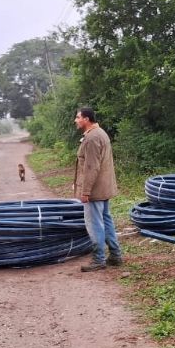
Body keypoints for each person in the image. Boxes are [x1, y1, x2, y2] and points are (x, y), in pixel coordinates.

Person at [73, 107, 123, 272]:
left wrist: (85, 191)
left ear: (86, 119)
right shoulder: (100, 133)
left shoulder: (92, 137)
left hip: (95, 191)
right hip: (103, 188)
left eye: (78, 117)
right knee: (106, 221)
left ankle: (98, 259)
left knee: (95, 224)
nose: (76, 120)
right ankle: (115, 255)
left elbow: (91, 167)